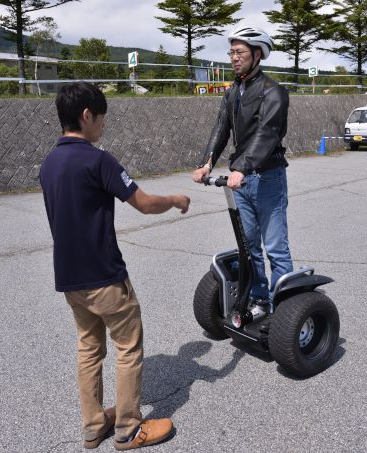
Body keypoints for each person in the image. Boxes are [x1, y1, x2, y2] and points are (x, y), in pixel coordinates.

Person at [39, 82, 190, 451]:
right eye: (102, 117)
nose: (103, 125)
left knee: (89, 349)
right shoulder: (98, 160)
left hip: (70, 279)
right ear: (86, 115)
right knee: (128, 347)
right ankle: (128, 428)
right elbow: (144, 203)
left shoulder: (49, 164)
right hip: (105, 276)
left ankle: (93, 426)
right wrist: (174, 199)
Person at [192, 25, 292, 313]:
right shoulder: (233, 92)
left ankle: (286, 309)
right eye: (231, 52)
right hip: (242, 181)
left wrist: (243, 168)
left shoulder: (274, 92)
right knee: (249, 248)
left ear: (257, 54)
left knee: (275, 247)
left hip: (267, 177)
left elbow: (267, 133)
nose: (234, 58)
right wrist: (206, 163)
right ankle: (261, 299)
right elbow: (221, 128)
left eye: (240, 52)